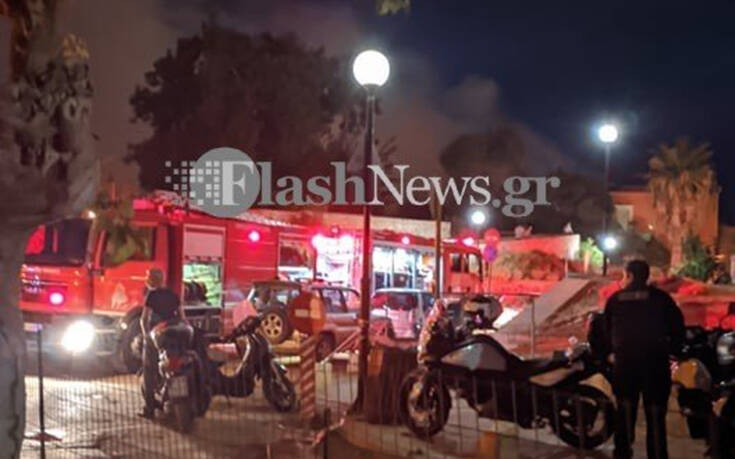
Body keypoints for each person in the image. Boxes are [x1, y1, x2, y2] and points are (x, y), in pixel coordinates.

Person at [603, 260, 684, 459]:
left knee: (624, 412)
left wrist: (609, 354)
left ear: (629, 275)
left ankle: (622, 453)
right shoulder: (662, 299)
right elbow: (678, 328)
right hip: (655, 365)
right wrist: (673, 353)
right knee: (655, 416)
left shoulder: (615, 300)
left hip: (625, 366)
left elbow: (604, 331)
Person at [139, 268, 185, 418]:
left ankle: (149, 408)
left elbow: (144, 319)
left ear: (151, 280)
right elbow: (182, 317)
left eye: (147, 277)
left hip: (158, 337)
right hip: (174, 336)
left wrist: (146, 336)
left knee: (149, 370)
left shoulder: (151, 295)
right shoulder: (173, 295)